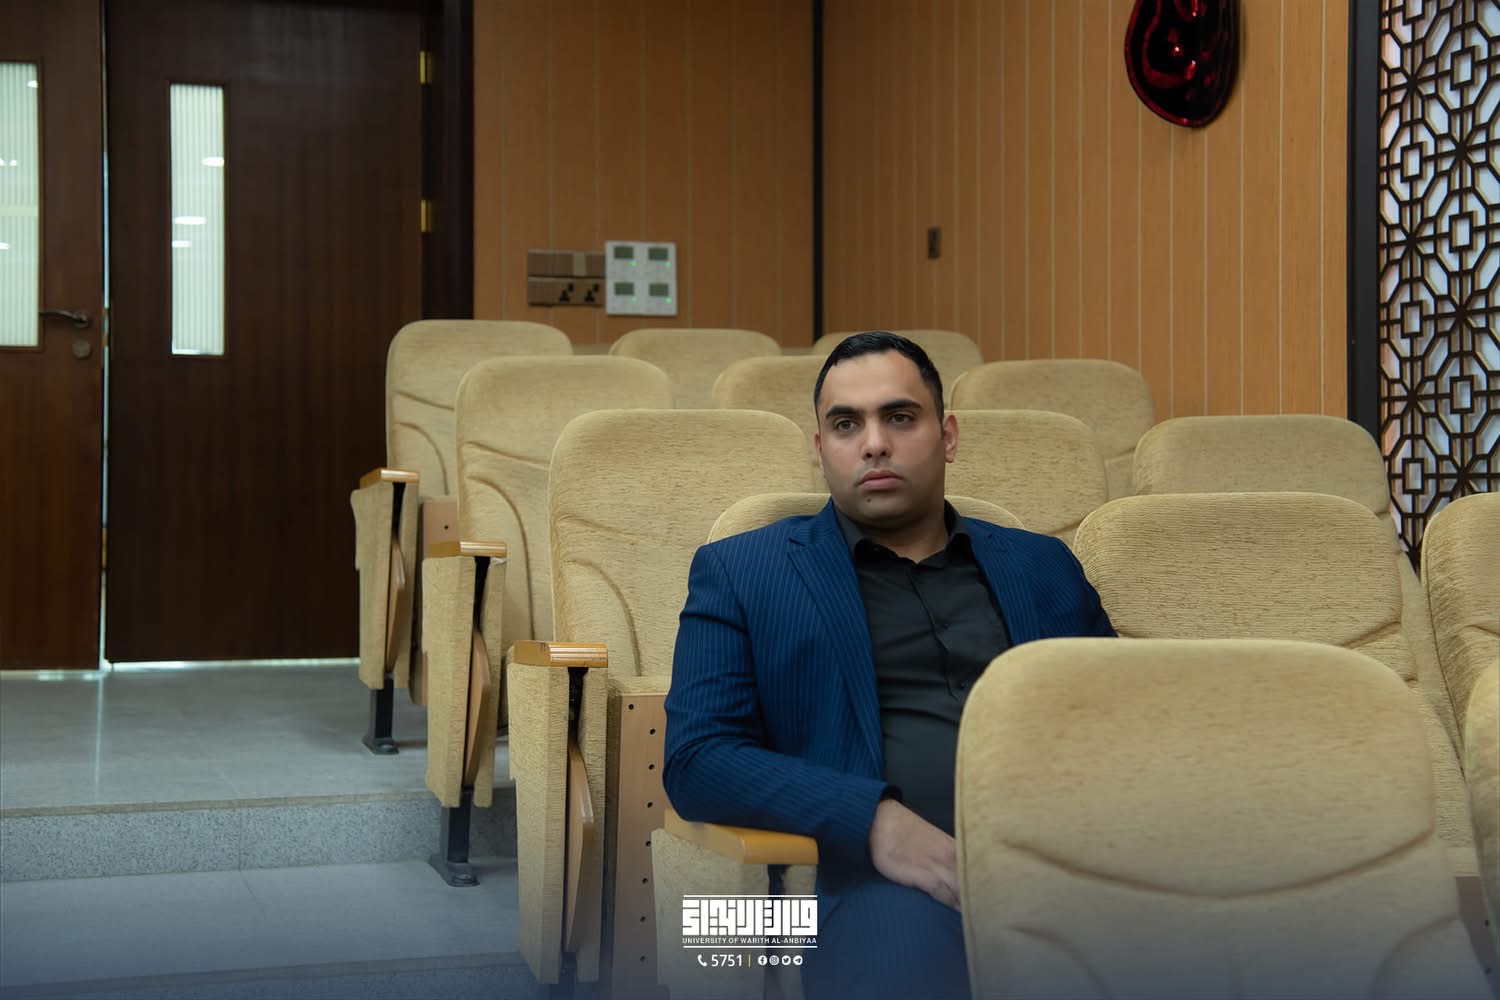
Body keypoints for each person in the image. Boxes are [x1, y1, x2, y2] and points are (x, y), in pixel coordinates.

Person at [663, 332, 1115, 999]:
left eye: (900, 417)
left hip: (1059, 864)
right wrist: (874, 821)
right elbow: (697, 760)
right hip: (865, 882)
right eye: (846, 425)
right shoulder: (742, 571)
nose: (874, 443)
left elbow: (1119, 728)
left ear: (947, 436)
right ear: (820, 449)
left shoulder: (1041, 565)